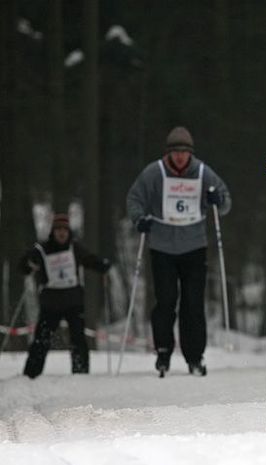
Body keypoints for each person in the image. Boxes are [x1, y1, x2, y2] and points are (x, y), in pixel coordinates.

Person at [127, 126, 231, 377]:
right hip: (162, 248)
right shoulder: (155, 173)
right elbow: (135, 198)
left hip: (194, 247)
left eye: (185, 152)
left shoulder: (203, 172)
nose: (181, 157)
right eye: (176, 152)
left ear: (190, 153)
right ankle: (163, 352)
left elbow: (225, 199)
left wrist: (217, 200)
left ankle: (195, 357)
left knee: (193, 303)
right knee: (165, 301)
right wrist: (139, 219)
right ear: (169, 153)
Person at [20, 213, 111, 378]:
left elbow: (90, 260)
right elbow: (24, 267)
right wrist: (28, 263)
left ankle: (81, 373)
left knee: (78, 339)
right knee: (42, 339)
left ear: (69, 232)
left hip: (73, 302)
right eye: (58, 230)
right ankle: (31, 375)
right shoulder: (42, 250)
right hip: (51, 303)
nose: (62, 233)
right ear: (53, 232)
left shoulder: (75, 248)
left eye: (64, 230)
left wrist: (102, 265)